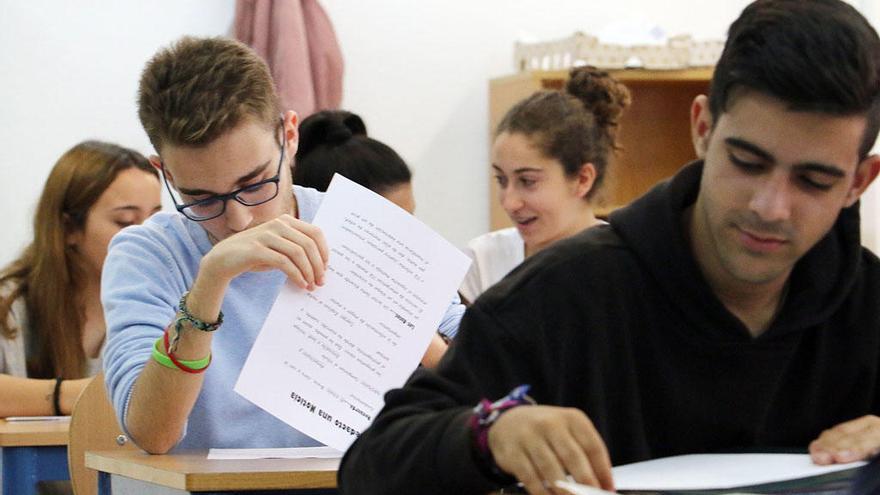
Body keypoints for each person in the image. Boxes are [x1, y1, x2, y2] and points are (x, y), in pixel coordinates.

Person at [338, 1, 880, 494]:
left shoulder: (870, 304)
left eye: (813, 180)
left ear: (860, 180)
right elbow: (372, 466)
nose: (771, 206)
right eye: (747, 162)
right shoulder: (561, 295)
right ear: (703, 128)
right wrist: (489, 434)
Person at [101, 36, 463, 454]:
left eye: (254, 184)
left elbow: (486, 387)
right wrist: (210, 283)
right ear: (163, 171)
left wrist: (410, 333)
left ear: (289, 137)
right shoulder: (146, 255)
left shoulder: (365, 225)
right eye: (201, 198)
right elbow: (151, 433)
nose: (238, 220)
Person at [0, 141, 161, 417]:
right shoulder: (10, 302)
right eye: (125, 222)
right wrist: (75, 395)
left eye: (156, 220)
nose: (146, 237)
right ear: (68, 228)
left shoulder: (166, 301)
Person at [294, 109, 458, 366]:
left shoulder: (423, 279)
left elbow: (463, 329)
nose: (409, 240)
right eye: (391, 229)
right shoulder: (299, 309)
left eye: (411, 221)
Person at [460, 66, 630, 302]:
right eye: (501, 180)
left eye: (527, 181)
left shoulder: (627, 269)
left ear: (582, 179)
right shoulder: (483, 259)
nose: (509, 203)